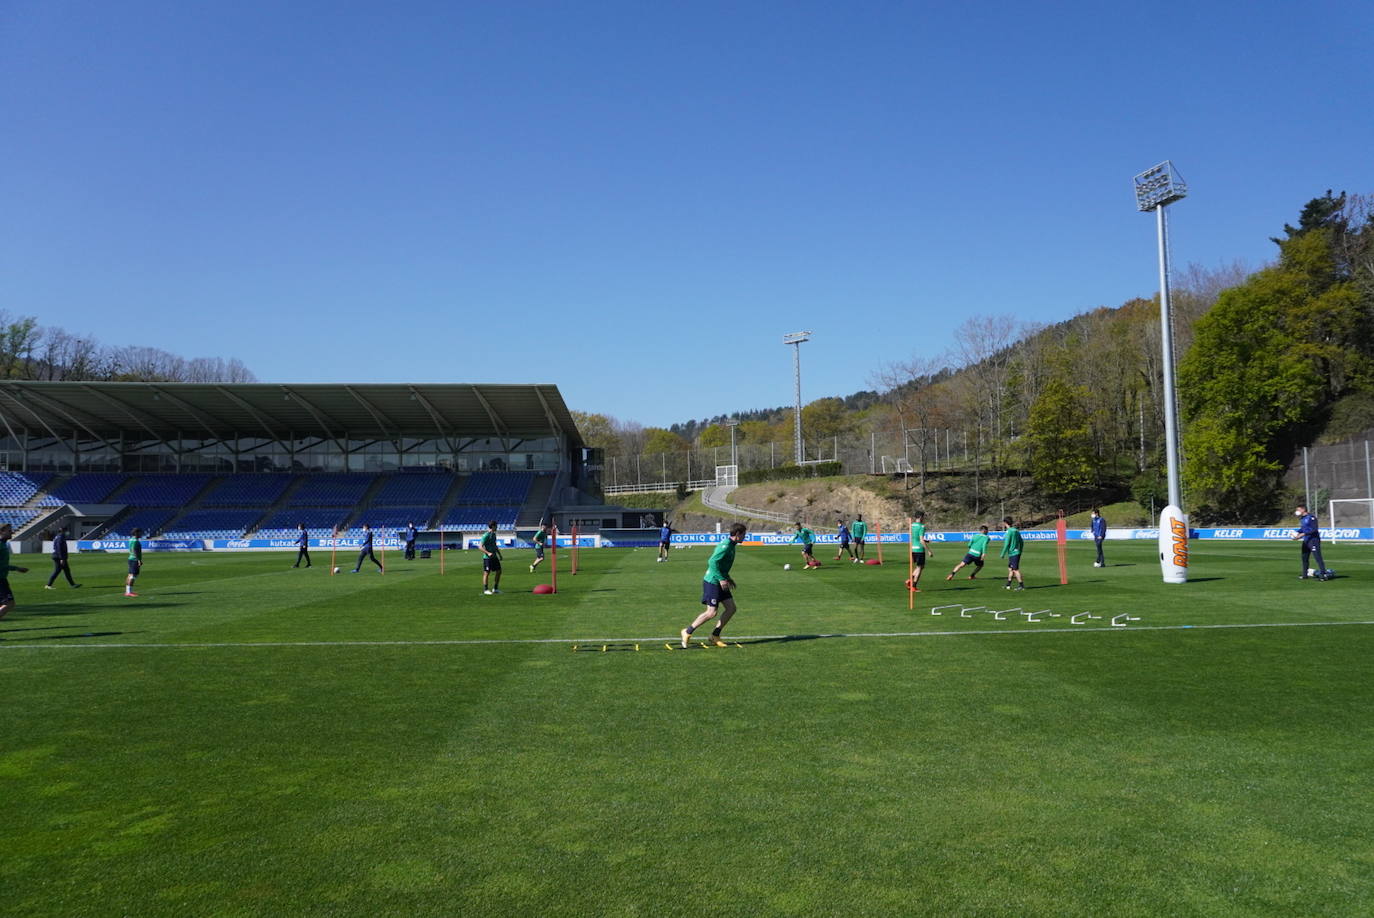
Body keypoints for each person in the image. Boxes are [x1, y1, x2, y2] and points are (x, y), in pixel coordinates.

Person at [680, 522, 747, 648]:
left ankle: (715, 635)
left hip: (721, 580)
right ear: (738, 534)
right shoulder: (726, 545)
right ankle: (687, 631)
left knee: (731, 608)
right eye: (744, 535)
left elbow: (722, 565)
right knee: (711, 612)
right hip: (712, 581)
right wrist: (722, 579)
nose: (745, 537)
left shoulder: (732, 545)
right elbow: (712, 562)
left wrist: (728, 578)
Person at [0, 523, 30, 621]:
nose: (11, 532)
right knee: (9, 604)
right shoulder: (0, 545)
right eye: (9, 531)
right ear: (1, 532)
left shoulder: (3, 544)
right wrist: (16, 568)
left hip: (2, 578)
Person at [1293, 503, 1330, 580]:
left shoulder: (1311, 517)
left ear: (1303, 509)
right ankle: (1304, 575)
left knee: (1318, 558)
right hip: (1306, 540)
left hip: (1313, 540)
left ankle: (1323, 575)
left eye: (1298, 510)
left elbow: (1314, 529)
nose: (1296, 511)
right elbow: (1304, 529)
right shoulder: (1302, 518)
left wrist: (1303, 534)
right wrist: (1296, 533)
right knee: (1304, 558)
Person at [907, 512, 932, 592]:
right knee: (920, 567)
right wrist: (929, 550)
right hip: (919, 549)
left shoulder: (911, 525)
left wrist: (926, 540)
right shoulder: (922, 526)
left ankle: (909, 580)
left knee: (920, 566)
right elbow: (921, 540)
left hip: (913, 548)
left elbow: (915, 537)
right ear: (920, 517)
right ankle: (913, 586)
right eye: (923, 517)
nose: (924, 518)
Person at [1000, 516, 1024, 590]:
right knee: (1010, 568)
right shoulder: (1016, 531)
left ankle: (1021, 586)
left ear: (1005, 523)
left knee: (1015, 569)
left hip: (1013, 553)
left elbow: (1006, 544)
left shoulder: (1009, 532)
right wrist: (1020, 550)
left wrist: (1002, 553)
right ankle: (1008, 585)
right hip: (1016, 552)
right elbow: (1021, 542)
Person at [480, 520, 502, 594]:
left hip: (494, 557)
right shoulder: (486, 535)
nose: (497, 527)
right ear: (492, 526)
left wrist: (499, 554)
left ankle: (495, 589)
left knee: (499, 571)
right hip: (487, 558)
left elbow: (495, 545)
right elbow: (480, 546)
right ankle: (486, 590)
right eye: (496, 526)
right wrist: (488, 553)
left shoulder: (494, 535)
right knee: (487, 573)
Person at [124, 527, 143, 597]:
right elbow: (135, 550)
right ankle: (129, 592)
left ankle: (127, 591)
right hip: (134, 559)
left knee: (130, 575)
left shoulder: (131, 539)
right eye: (140, 532)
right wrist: (139, 560)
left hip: (130, 559)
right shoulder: (135, 541)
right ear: (136, 533)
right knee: (133, 576)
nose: (141, 534)